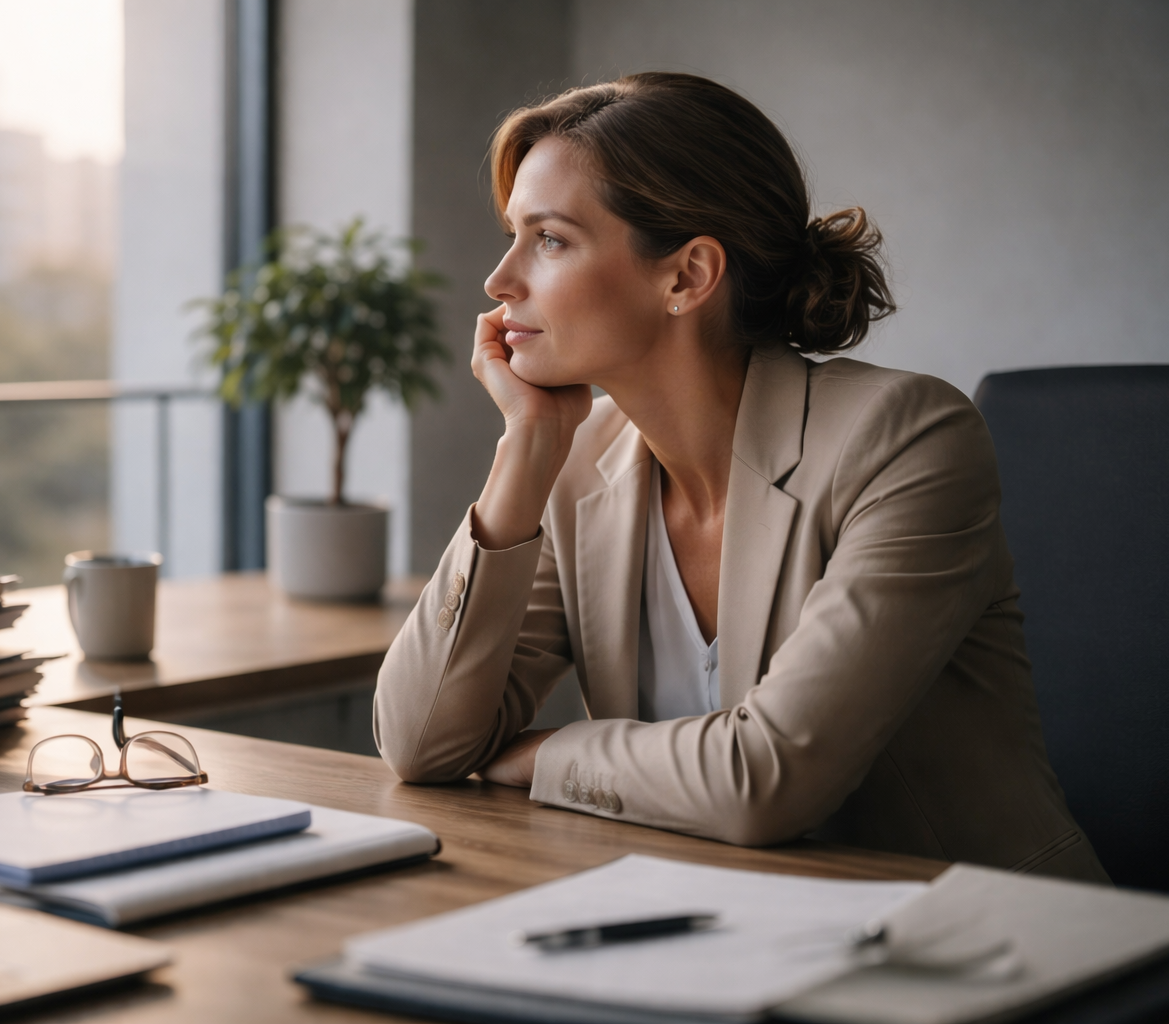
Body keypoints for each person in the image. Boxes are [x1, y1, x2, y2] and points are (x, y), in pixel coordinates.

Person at [372, 72, 1108, 882]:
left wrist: (544, 755)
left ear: (686, 276)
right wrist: (526, 447)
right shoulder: (578, 465)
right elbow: (421, 743)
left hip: (977, 948)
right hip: (714, 929)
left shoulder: (905, 439)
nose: (499, 280)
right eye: (514, 236)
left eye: (549, 239)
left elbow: (767, 780)